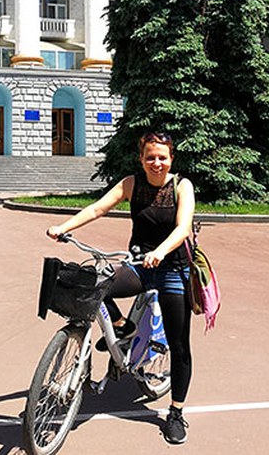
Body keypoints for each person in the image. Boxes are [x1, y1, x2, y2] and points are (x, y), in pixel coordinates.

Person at [47, 131, 195, 445]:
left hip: (172, 268)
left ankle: (176, 412)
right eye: (150, 157)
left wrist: (161, 251)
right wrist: (64, 227)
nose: (157, 163)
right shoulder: (131, 183)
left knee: (180, 345)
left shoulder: (182, 186)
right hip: (139, 265)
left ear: (171, 159)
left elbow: (183, 228)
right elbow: (97, 208)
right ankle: (122, 326)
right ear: (141, 159)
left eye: (163, 157)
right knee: (97, 283)